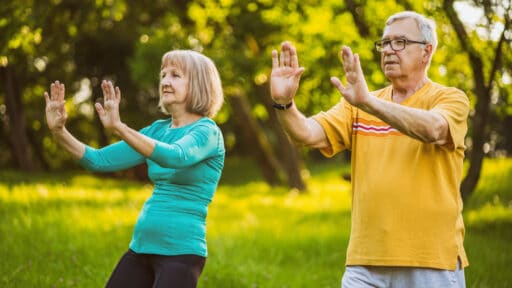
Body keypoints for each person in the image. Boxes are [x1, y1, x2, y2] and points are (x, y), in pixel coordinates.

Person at [270, 11, 469, 288]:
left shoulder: (449, 98)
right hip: (365, 262)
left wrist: (370, 104)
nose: (388, 50)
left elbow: (435, 129)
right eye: (385, 43)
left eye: (399, 42)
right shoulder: (359, 104)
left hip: (429, 260)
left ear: (427, 51)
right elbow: (306, 134)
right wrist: (284, 104)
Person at [44, 50, 225, 288]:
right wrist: (59, 131)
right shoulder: (157, 130)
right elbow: (97, 160)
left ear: (200, 83)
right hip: (141, 248)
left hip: (181, 254)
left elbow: (175, 156)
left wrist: (120, 128)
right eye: (163, 75)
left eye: (176, 75)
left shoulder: (207, 132)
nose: (165, 82)